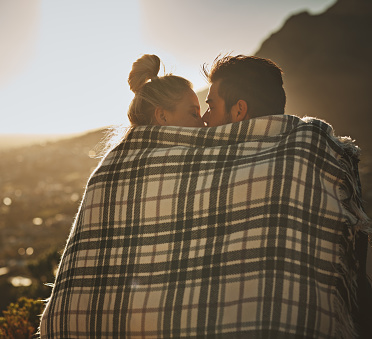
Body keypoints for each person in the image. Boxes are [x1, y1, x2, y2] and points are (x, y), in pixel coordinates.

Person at [39, 54, 371, 338]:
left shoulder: (274, 165)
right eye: (197, 112)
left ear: (239, 111)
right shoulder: (308, 153)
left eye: (207, 108)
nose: (205, 122)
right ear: (162, 116)